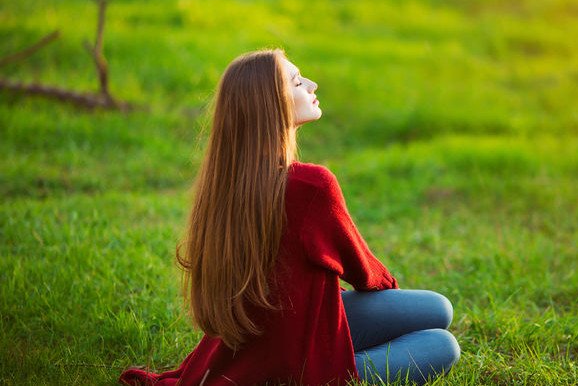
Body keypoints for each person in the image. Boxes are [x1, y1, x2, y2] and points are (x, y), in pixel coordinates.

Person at [120, 49, 460, 386]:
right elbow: (362, 270)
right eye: (297, 81)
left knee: (437, 308)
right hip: (301, 365)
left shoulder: (223, 185)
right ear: (272, 104)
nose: (312, 85)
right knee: (442, 343)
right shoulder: (310, 186)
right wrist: (388, 296)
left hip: (258, 340)